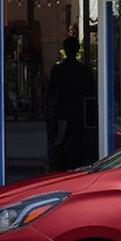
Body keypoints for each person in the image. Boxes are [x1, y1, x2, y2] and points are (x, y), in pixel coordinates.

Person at [46, 37, 95, 170]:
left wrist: (50, 111)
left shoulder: (59, 70)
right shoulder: (84, 71)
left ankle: (62, 170)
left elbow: (51, 93)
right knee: (77, 147)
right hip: (77, 115)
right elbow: (92, 93)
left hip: (65, 114)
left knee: (62, 147)